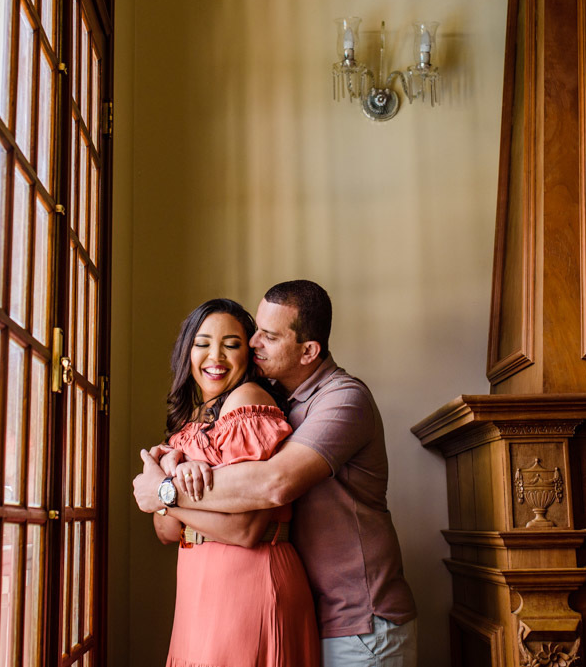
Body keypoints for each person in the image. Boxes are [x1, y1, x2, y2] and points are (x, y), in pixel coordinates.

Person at [135, 280, 418, 667]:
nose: (252, 345)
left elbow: (273, 484)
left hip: (359, 621)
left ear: (309, 351)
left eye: (266, 337)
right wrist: (177, 464)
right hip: (315, 609)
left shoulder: (342, 399)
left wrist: (165, 490)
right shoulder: (276, 400)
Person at [144, 297, 320, 667]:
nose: (215, 357)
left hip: (248, 581)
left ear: (249, 354)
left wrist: (164, 489)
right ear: (187, 352)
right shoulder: (192, 422)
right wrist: (173, 476)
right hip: (200, 584)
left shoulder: (246, 401)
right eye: (203, 343)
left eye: (231, 345)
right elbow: (164, 530)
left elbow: (244, 529)